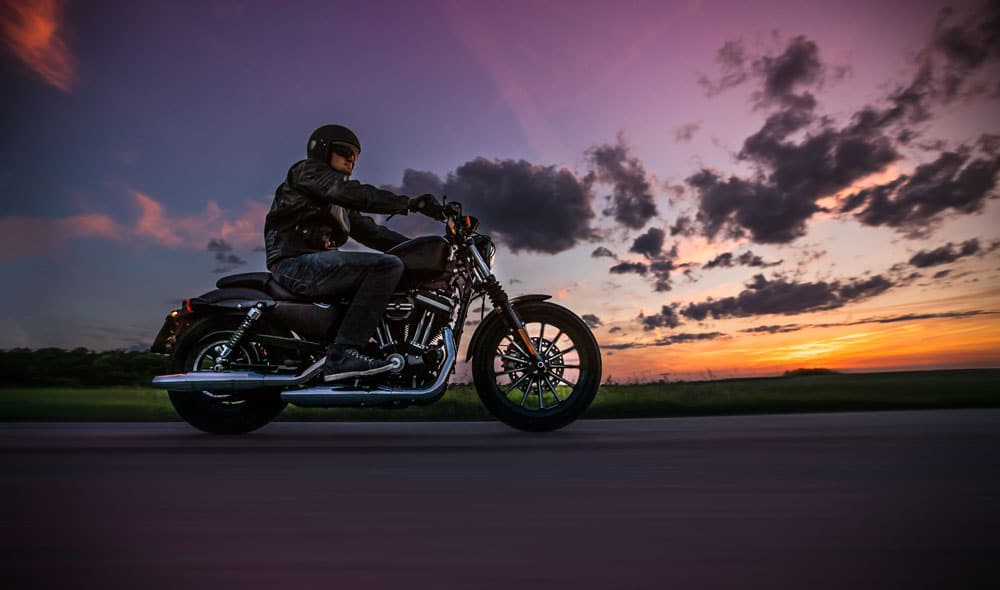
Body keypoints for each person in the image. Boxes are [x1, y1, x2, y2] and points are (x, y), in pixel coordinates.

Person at [264, 124, 443, 382]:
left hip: (317, 264)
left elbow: (374, 233)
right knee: (387, 266)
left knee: (394, 263)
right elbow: (353, 192)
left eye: (355, 156)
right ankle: (342, 355)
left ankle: (361, 348)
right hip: (295, 263)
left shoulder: (337, 201)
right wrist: (409, 203)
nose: (351, 159)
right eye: (345, 151)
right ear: (323, 150)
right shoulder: (307, 172)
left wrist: (421, 251)